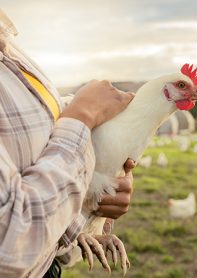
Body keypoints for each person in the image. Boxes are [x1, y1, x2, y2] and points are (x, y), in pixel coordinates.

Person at [0, 9, 134, 278]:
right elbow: (9, 244)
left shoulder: (8, 43)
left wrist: (91, 196)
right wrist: (82, 117)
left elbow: (36, 137)